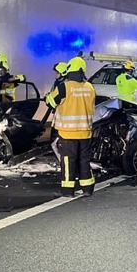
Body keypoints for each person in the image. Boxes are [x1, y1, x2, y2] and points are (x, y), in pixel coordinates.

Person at [45, 57, 96, 197]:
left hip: (68, 133)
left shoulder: (64, 87)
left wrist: (47, 97)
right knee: (84, 160)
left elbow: (51, 103)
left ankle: (68, 191)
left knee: (68, 161)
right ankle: (88, 188)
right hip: (85, 133)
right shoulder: (90, 87)